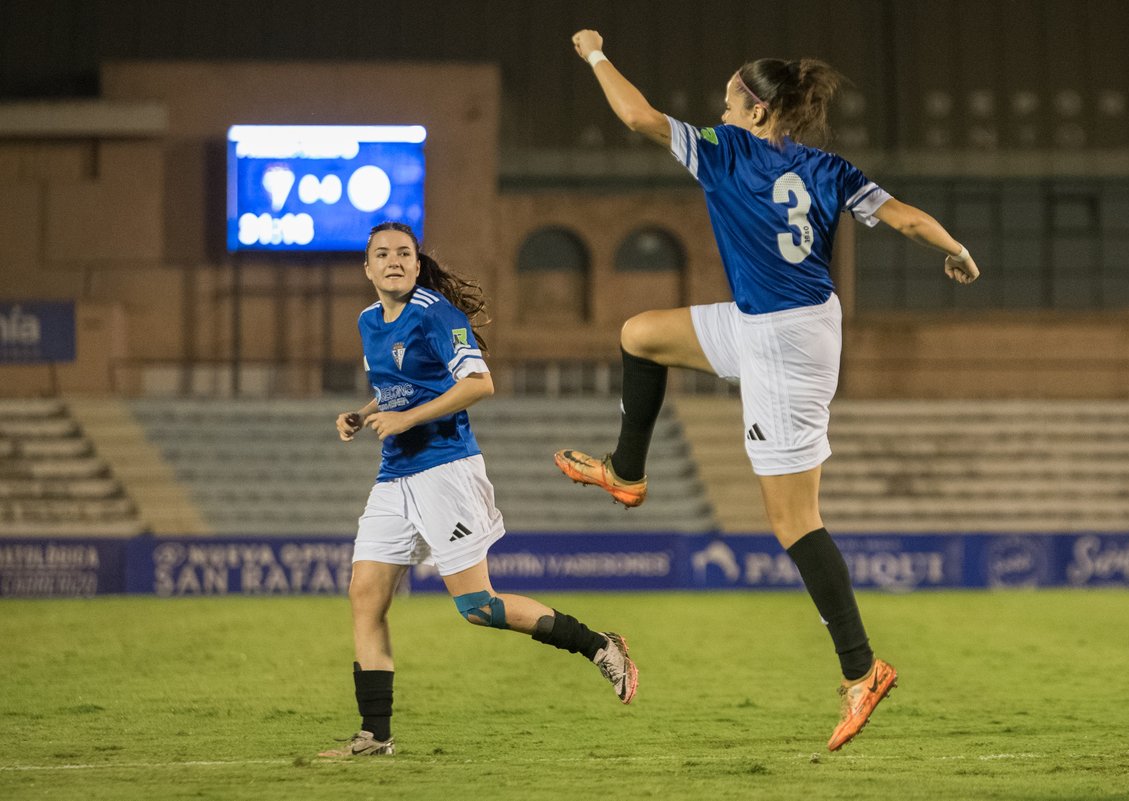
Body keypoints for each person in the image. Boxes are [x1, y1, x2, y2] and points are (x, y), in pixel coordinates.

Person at [556, 30, 980, 752]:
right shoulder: (829, 167)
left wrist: (595, 54)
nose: (717, 110)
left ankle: (861, 667)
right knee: (641, 333)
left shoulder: (725, 150)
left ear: (757, 112)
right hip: (772, 320)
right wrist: (957, 250)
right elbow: (904, 216)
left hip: (784, 341)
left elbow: (636, 118)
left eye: (727, 99)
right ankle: (627, 474)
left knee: (792, 520)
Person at [319, 221, 638, 758]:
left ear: (417, 266)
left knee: (478, 608)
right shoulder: (369, 320)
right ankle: (375, 735)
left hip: (446, 471)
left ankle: (598, 645)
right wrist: (364, 412)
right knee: (364, 598)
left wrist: (407, 419)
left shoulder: (438, 315)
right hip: (394, 476)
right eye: (382, 254)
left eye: (404, 253)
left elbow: (479, 383)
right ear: (368, 268)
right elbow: (397, 386)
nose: (394, 261)